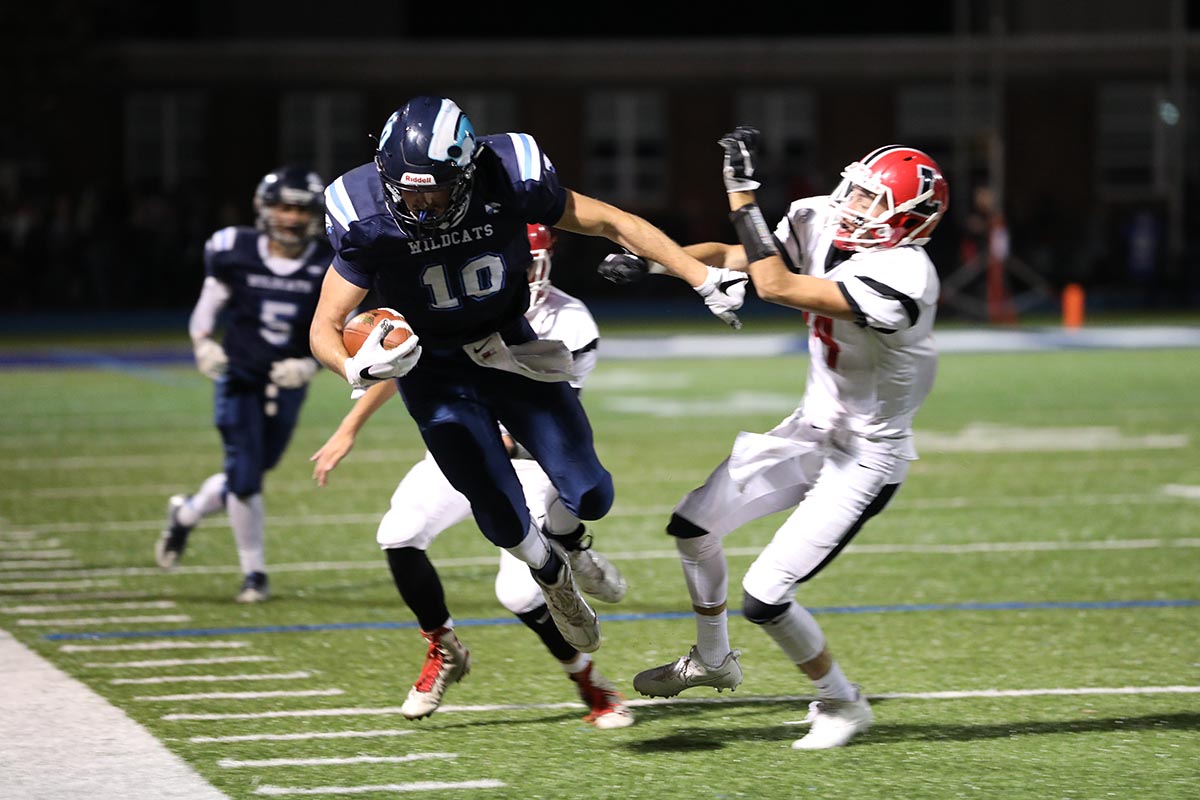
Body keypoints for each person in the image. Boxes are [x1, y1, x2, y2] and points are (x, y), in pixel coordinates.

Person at [309, 95, 747, 655]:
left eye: (433, 190)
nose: (417, 205)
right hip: (433, 368)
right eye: (406, 189)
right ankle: (549, 575)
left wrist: (700, 278)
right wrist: (352, 366)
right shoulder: (364, 210)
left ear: (467, 173)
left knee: (591, 493)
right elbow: (324, 323)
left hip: (509, 346)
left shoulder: (510, 175)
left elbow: (612, 220)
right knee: (494, 503)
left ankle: (569, 542)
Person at [599, 128, 948, 750]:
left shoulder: (907, 276)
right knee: (693, 526)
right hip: (810, 430)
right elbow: (740, 256)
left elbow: (776, 285)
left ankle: (843, 703)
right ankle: (713, 660)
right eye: (857, 192)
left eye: (872, 201)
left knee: (766, 595)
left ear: (907, 222)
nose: (852, 206)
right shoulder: (820, 219)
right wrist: (663, 260)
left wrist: (741, 193)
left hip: (866, 457)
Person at [310, 224, 633, 728]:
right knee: (399, 533)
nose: (522, 269)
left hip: (527, 456)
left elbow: (559, 413)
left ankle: (590, 681)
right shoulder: (448, 288)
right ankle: (443, 647)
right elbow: (404, 358)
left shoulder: (569, 320)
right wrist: (349, 426)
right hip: (464, 437)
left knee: (520, 593)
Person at [156, 166, 332, 603]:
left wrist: (311, 367)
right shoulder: (233, 249)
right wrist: (202, 343)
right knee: (246, 475)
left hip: (289, 380)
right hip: (240, 376)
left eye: (300, 209)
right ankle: (254, 574)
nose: (291, 218)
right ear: (265, 209)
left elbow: (338, 327)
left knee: (250, 470)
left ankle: (187, 512)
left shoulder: (329, 261)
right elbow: (209, 304)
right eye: (283, 207)